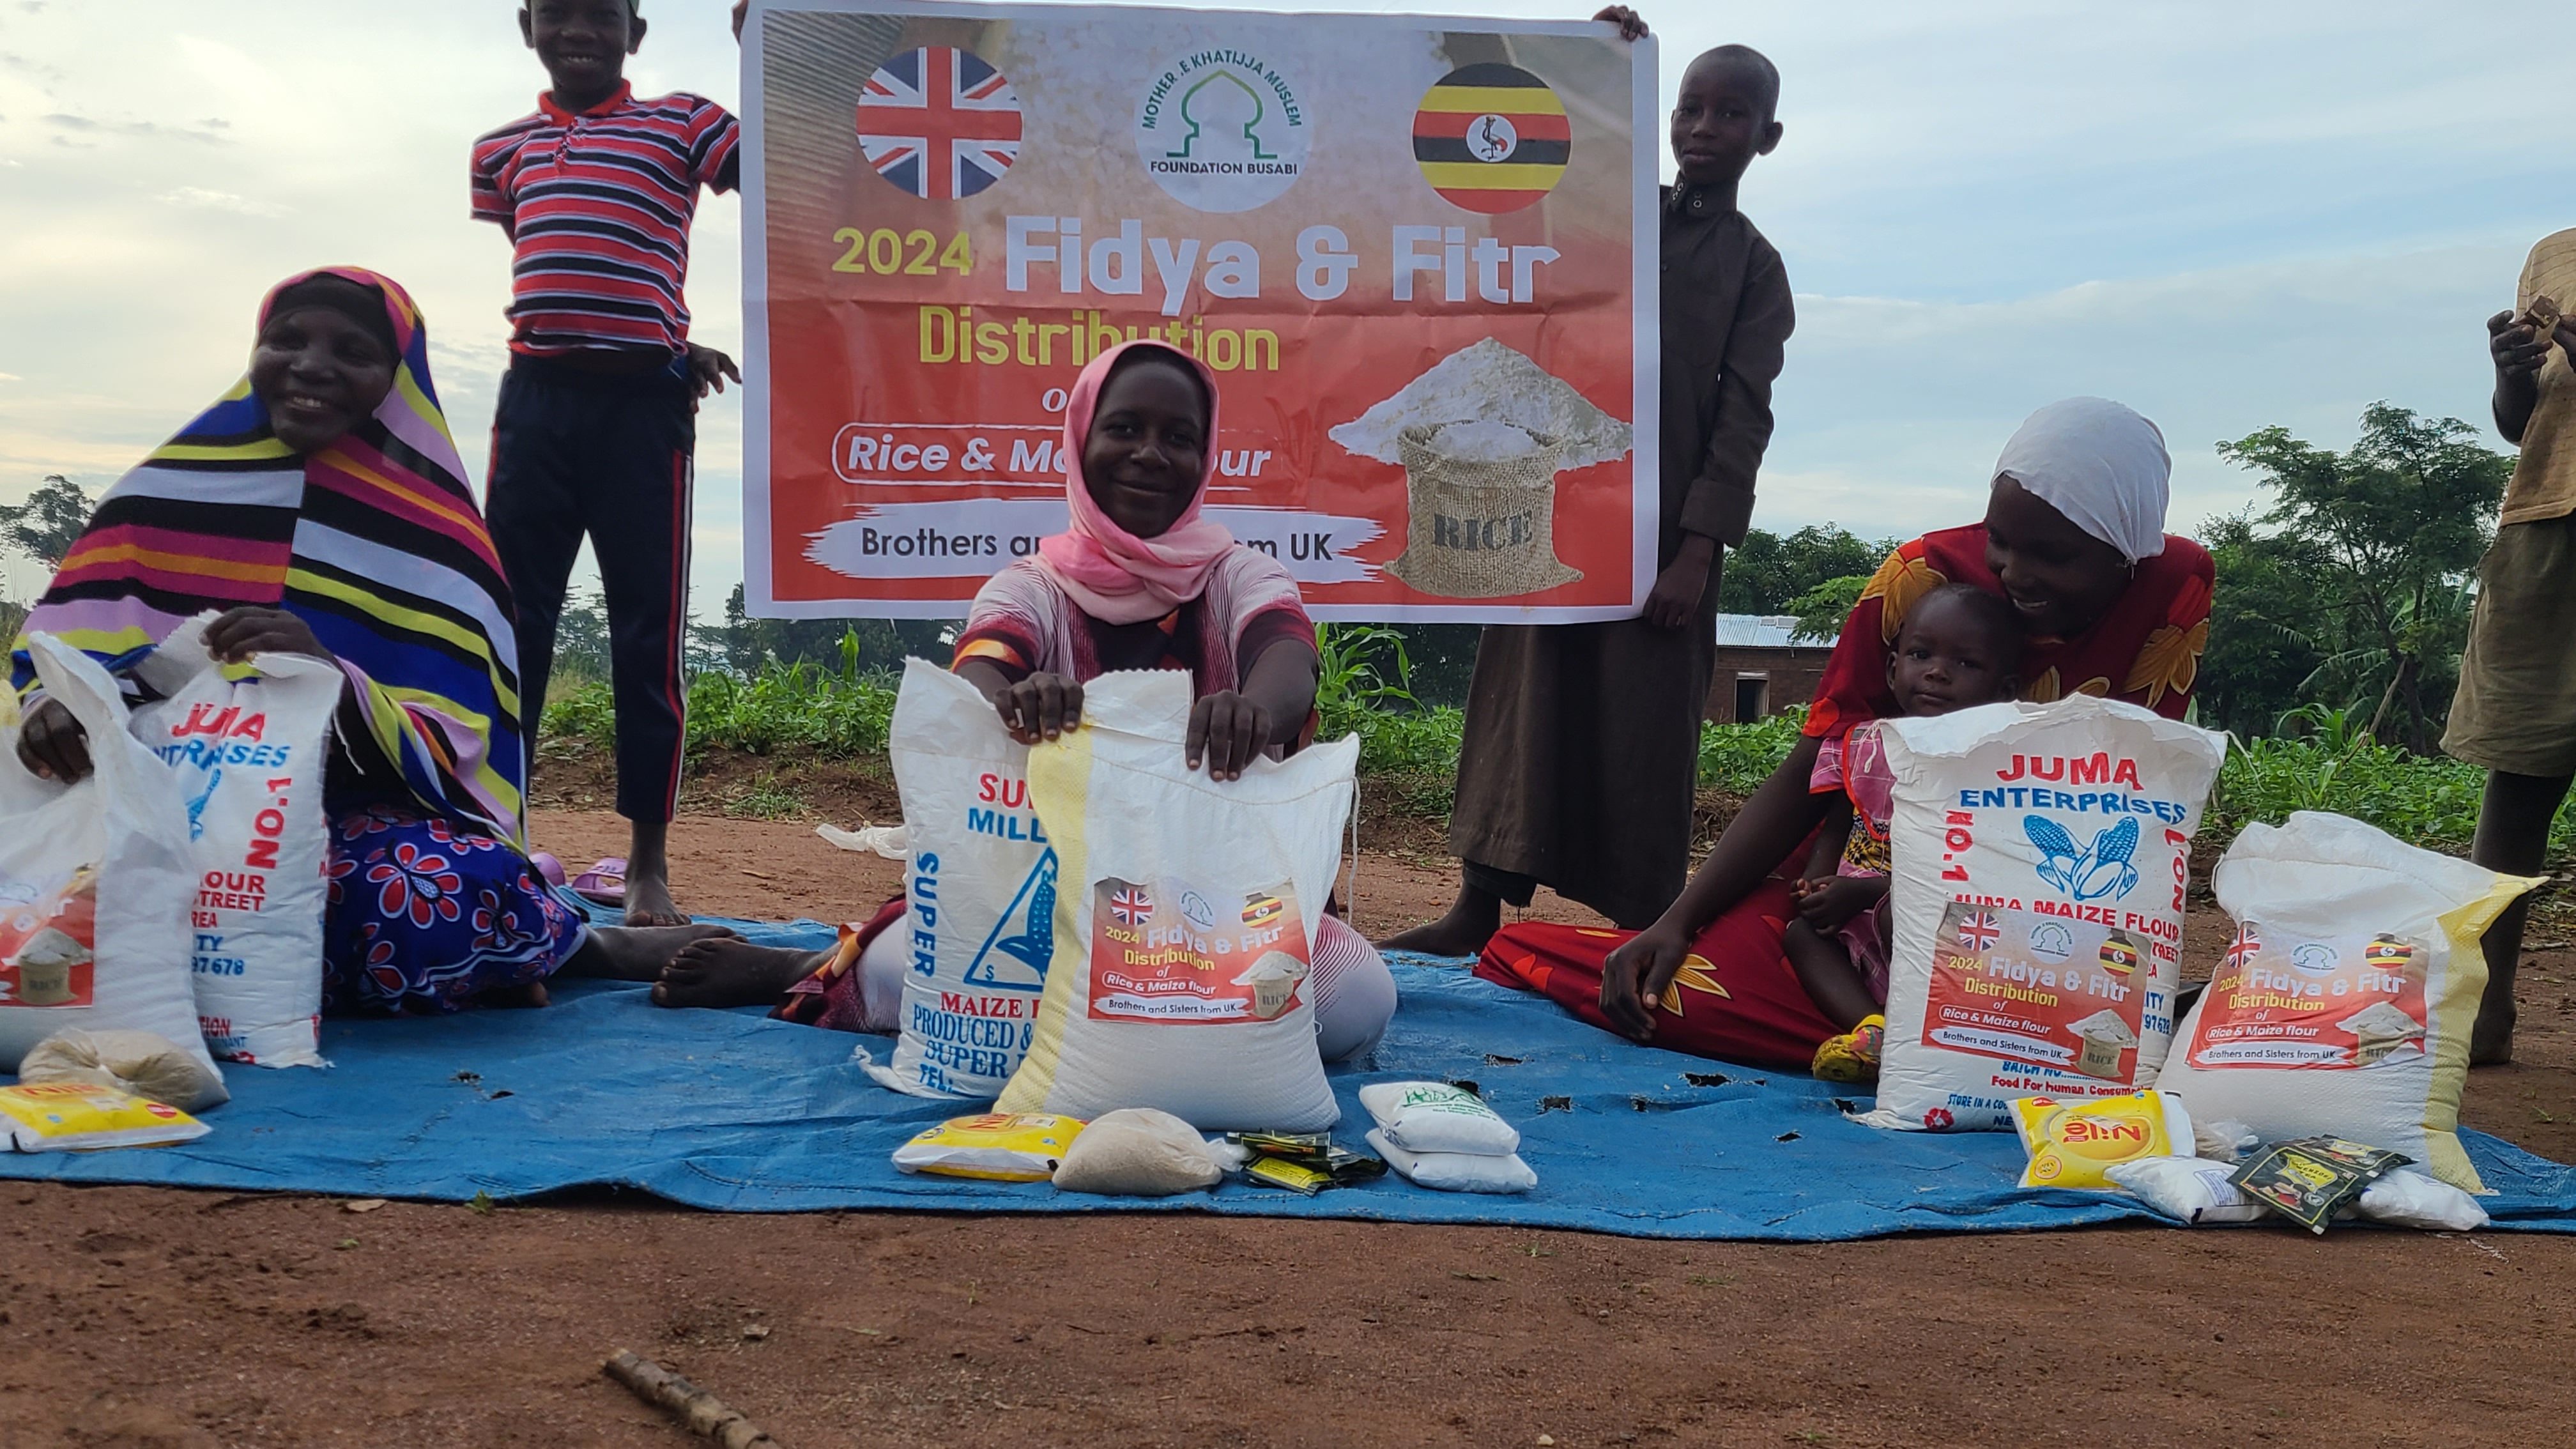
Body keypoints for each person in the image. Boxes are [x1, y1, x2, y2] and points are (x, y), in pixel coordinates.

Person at [644, 341, 1400, 1063]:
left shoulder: (1240, 576)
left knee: (1358, 998)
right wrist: (1011, 702)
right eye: (1124, 428)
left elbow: (1288, 657)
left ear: (1205, 460)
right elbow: (977, 675)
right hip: (1046, 908)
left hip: (1226, 913)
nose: (1150, 454)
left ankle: (1110, 1032)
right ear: (1080, 441)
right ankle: (811, 963)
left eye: (1179, 437)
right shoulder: (1030, 587)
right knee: (910, 970)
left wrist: (1255, 709)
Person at [9, 269, 716, 1013]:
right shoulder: (155, 501)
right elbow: (61, 656)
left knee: (429, 891)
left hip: (338, 828)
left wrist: (333, 677)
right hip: (147, 813)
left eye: (352, 351)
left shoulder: (442, 547)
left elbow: (462, 746)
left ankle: (573, 949)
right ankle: (504, 966)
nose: (312, 365)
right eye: (288, 339)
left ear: (396, 379)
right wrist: (51, 709)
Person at [1474, 398, 2213, 1070]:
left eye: (2054, 556)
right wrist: (1678, 921)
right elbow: (1819, 766)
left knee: (2063, 1012)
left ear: (2126, 550)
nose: (2015, 573)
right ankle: (1944, 1042)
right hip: (1865, 886)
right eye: (2002, 541)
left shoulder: (2176, 585)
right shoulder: (1921, 581)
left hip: (2050, 898)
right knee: (1677, 992)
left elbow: (2140, 791)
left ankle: (1951, 1039)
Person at [1384, 23, 1796, 954]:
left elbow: (1744, 419)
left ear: (1765, 137)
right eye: (1689, 107)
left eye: (1732, 113)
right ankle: (1478, 903)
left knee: (1645, 718)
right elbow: (1532, 191)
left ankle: (1641, 922)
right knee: (1522, 694)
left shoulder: (1755, 269)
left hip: (1665, 531)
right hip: (1553, 497)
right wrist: (1594, 68)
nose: (1704, 126)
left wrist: (1699, 549)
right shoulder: (1616, 222)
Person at [473, 0, 744, 926]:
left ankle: (647, 866)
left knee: (646, 636)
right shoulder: (499, 150)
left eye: (601, 13)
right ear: (527, 26)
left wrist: (766, 49)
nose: (577, 29)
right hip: (536, 406)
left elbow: (777, 175)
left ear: (636, 30)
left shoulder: (686, 123)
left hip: (644, 414)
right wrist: (654, 330)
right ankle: (498, 837)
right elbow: (569, 268)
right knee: (510, 633)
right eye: (559, 13)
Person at [1786, 583, 2023, 1082]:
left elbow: (1981, 877)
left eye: (1966, 664)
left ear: (2004, 693)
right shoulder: (1865, 748)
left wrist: (1869, 891)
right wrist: (1817, 884)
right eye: (1921, 655)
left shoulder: (1997, 773)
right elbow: (1840, 824)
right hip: (1856, 924)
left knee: (1902, 915)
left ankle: (1925, 1037)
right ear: (1893, 671)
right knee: (1803, 935)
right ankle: (1877, 1033)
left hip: (1938, 935)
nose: (1937, 672)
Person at [2443, 227, 2576, 1066]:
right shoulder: (2555, 255)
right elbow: (2521, 426)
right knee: (2520, 779)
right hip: (2545, 532)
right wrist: (2511, 374)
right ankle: (2482, 1014)